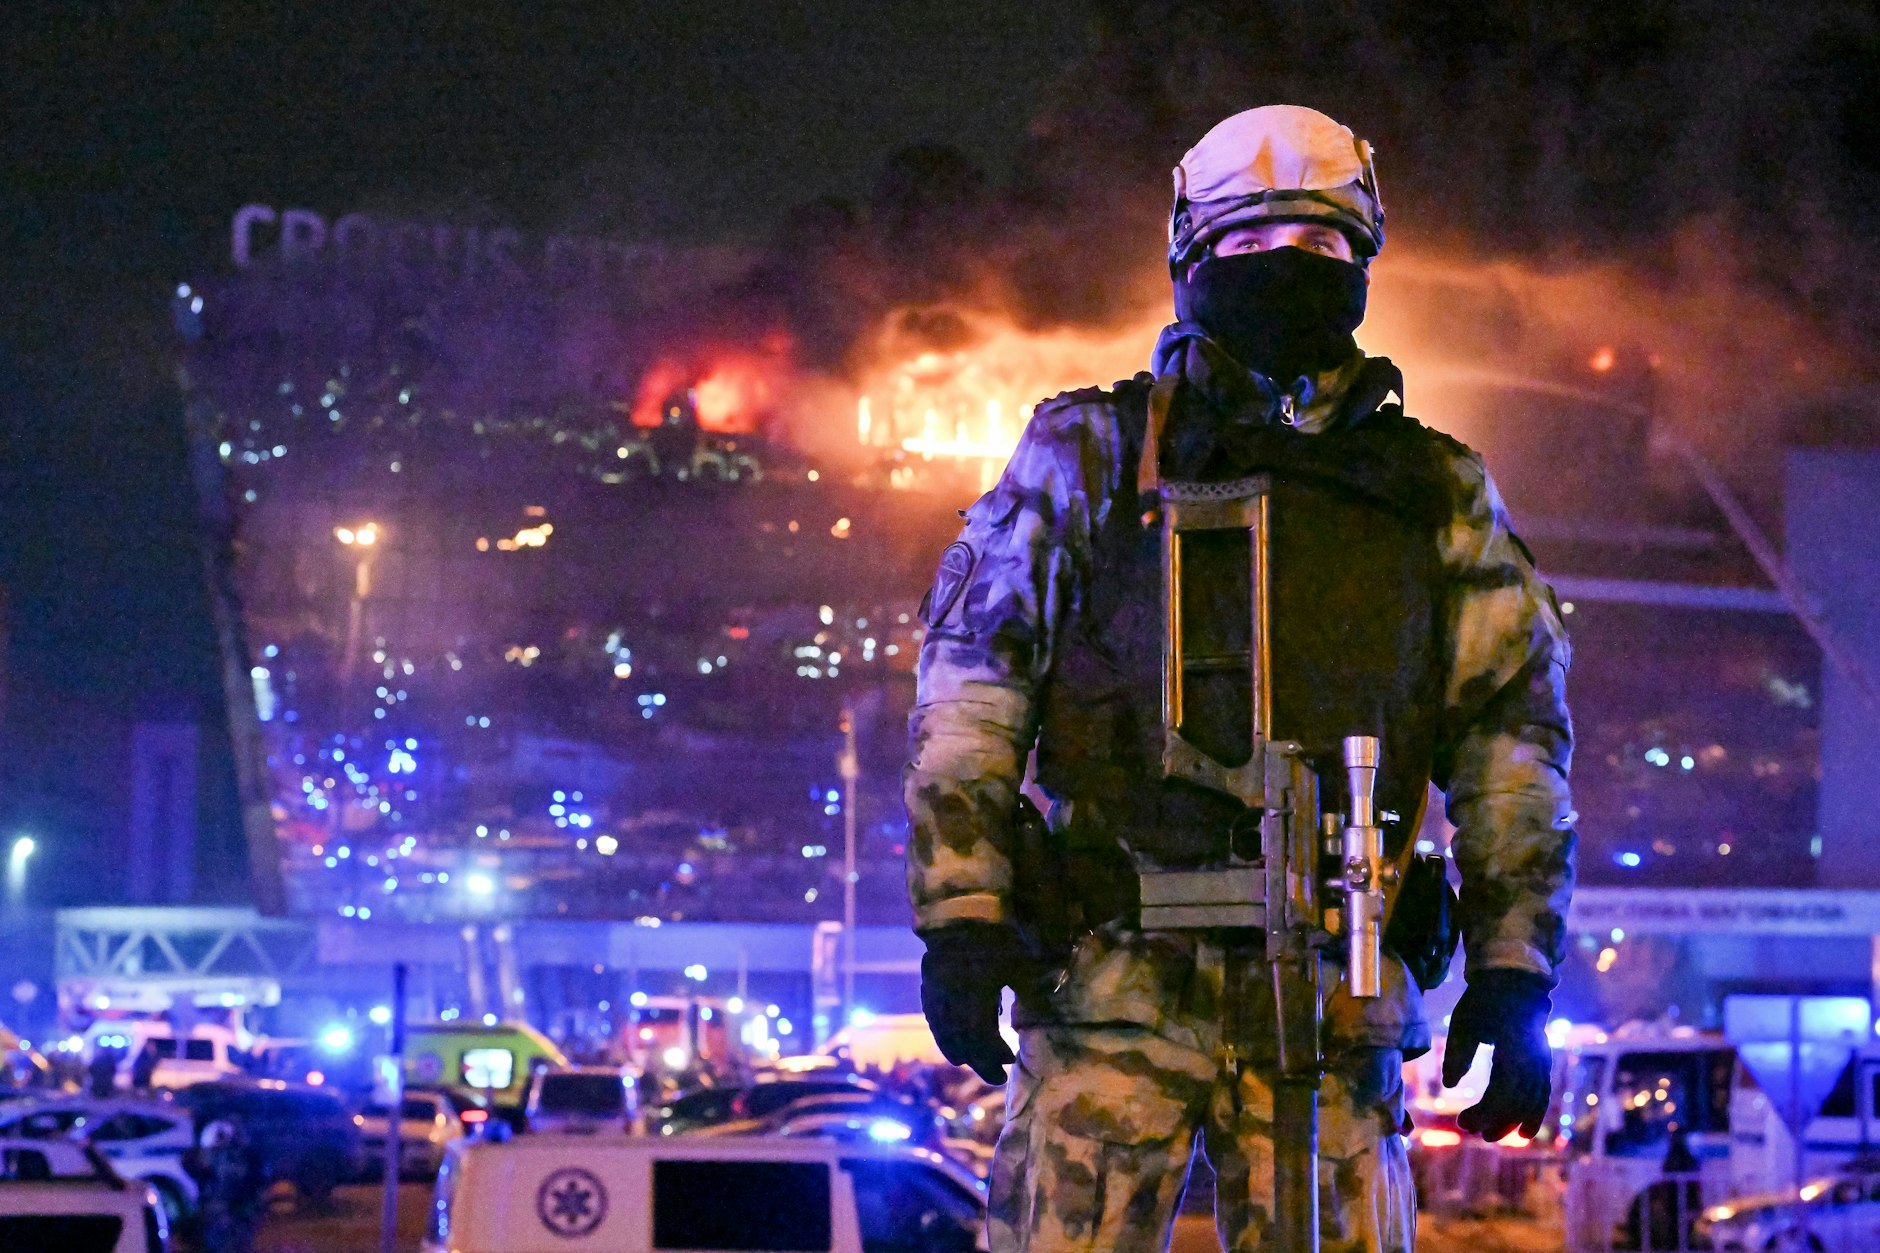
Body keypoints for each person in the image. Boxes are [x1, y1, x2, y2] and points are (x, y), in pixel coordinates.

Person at [904, 104, 1576, 1252]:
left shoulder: (1436, 492)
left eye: (1319, 249)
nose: (1285, 274)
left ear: (1363, 264)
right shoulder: (1087, 454)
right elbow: (971, 691)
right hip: (1108, 974)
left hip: (1333, 990)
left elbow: (1511, 738)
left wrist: (1512, 970)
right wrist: (962, 914)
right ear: (1187, 261)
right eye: (1250, 247)